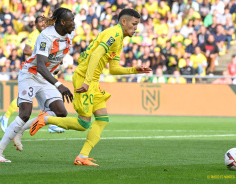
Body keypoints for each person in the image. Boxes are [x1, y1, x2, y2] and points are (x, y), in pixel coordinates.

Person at [29, 9, 151, 166]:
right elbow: (95, 56)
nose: (136, 28)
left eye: (137, 25)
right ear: (124, 22)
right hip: (84, 78)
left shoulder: (119, 39)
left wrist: (134, 70)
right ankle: (45, 119)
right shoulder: (113, 34)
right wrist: (86, 82)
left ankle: (82, 156)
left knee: (102, 119)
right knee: (84, 124)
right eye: (134, 24)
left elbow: (113, 69)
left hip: (92, 81)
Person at [0, 7, 75, 162]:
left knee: (61, 112)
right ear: (63, 22)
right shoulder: (46, 36)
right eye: (71, 21)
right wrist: (59, 85)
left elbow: (54, 60)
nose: (74, 24)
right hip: (31, 74)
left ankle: (20, 130)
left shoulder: (69, 34)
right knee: (24, 113)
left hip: (46, 77)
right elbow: (41, 66)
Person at [0, 16, 66, 134]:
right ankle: (5, 117)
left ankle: (52, 123)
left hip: (42, 70)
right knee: (26, 100)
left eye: (44, 22)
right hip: (32, 71)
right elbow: (26, 50)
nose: (43, 24)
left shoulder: (47, 34)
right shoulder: (35, 35)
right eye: (40, 22)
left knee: (45, 98)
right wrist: (41, 52)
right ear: (35, 25)